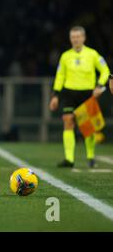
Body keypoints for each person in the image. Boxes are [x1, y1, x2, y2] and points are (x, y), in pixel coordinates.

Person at [49, 26, 110, 168]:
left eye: (78, 37)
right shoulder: (65, 56)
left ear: (84, 38)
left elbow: (105, 70)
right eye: (73, 37)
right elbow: (60, 76)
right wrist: (55, 95)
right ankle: (69, 159)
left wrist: (100, 86)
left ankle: (90, 157)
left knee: (87, 126)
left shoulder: (93, 54)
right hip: (70, 93)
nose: (75, 39)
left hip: (87, 94)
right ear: (70, 39)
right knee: (68, 121)